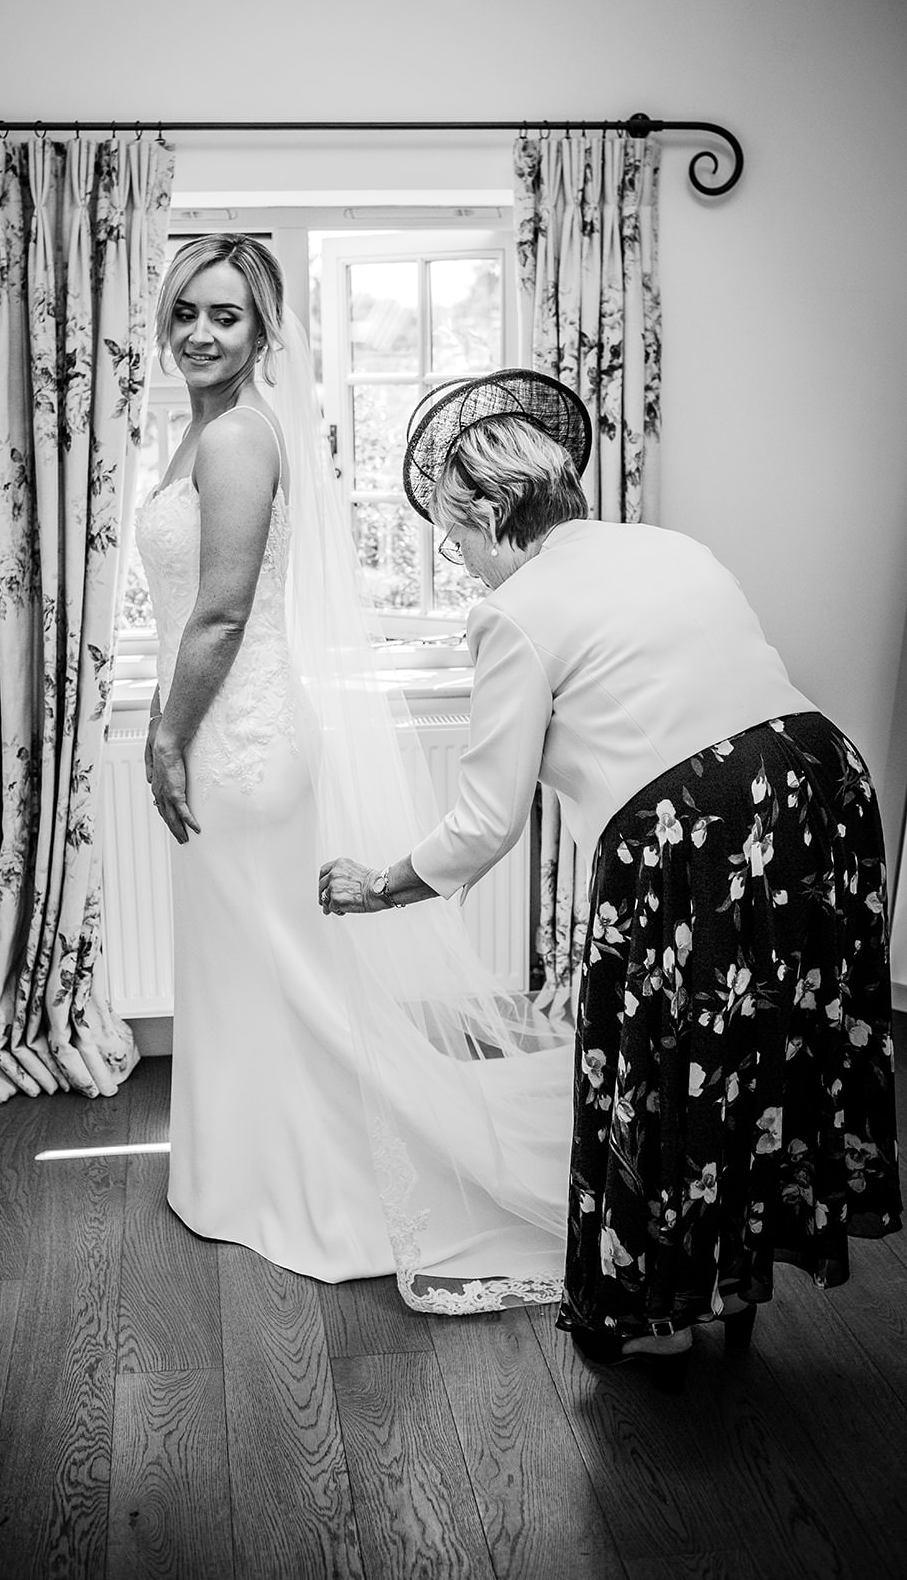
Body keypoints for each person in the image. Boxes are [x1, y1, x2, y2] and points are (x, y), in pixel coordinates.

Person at [320, 369, 902, 1392]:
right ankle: (737, 1263)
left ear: (496, 512)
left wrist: (379, 883)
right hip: (818, 779)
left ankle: (653, 1313)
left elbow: (483, 822)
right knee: (765, 1047)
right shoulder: (666, 546)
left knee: (669, 1066)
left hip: (694, 831)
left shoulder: (512, 613)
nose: (456, 565)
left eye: (453, 538)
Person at [133, 239, 575, 1313]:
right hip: (226, 729)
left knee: (278, 968)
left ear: (263, 332)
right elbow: (189, 611)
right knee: (248, 971)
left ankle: (312, 1183)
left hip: (238, 744)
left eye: (226, 316)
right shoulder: (201, 428)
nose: (200, 331)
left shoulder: (237, 436)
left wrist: (163, 739)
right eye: (185, 309)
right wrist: (163, 717)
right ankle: (236, 1173)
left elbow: (225, 612)